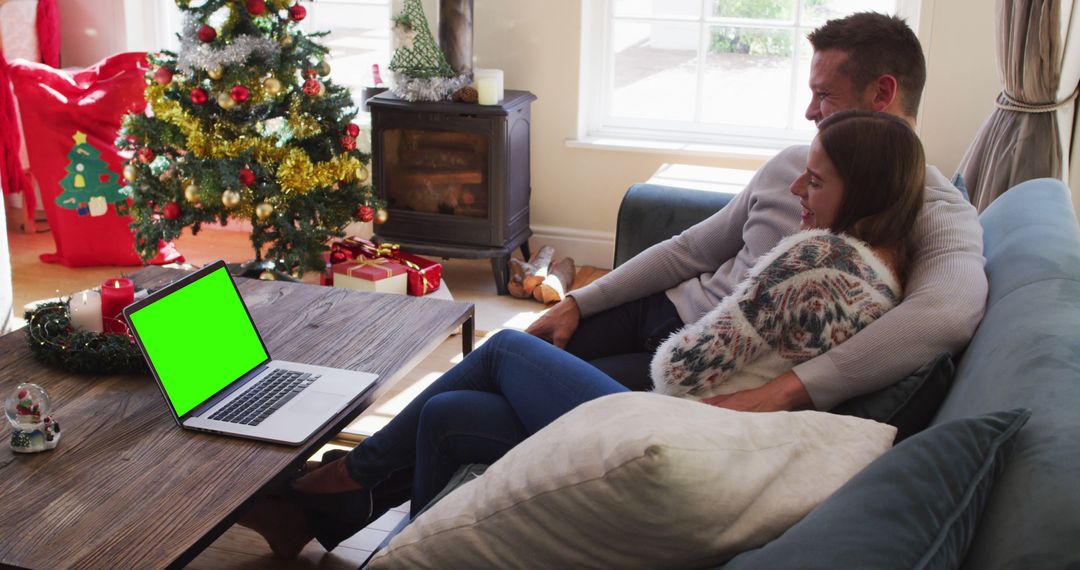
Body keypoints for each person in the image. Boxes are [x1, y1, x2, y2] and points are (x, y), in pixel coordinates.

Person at [240, 109, 927, 558]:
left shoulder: (817, 266)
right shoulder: (876, 274)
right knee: (452, 413)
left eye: (817, 180)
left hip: (674, 430)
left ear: (861, 190)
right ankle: (381, 533)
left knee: (510, 345)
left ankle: (346, 479)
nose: (799, 193)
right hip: (695, 436)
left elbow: (680, 368)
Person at [526, 12, 987, 413]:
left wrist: (790, 391)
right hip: (659, 310)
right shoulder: (794, 162)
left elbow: (945, 314)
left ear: (882, 94)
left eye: (825, 94)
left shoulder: (937, 210)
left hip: (705, 364)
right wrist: (579, 302)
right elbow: (689, 251)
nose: (810, 111)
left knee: (514, 383)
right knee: (525, 351)